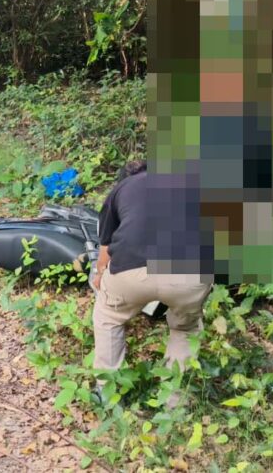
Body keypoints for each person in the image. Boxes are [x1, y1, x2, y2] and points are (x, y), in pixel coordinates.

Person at [92, 160, 213, 395]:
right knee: (185, 329)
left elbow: (105, 251)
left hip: (130, 269)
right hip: (189, 272)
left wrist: (99, 277)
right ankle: (174, 400)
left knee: (109, 316)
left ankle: (106, 391)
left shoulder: (121, 189)